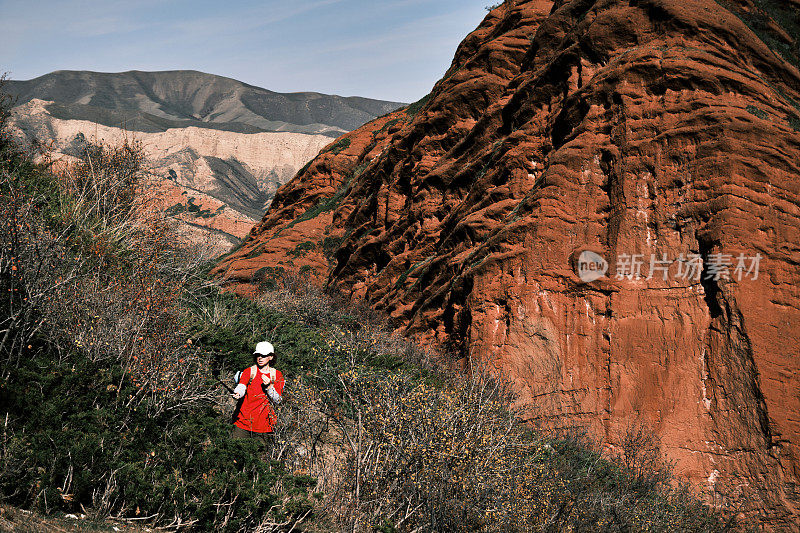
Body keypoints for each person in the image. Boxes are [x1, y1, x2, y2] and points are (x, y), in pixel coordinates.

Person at [231, 341, 284, 443]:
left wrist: (269, 387)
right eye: (258, 355)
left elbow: (278, 400)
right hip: (243, 423)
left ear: (271, 357)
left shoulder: (277, 375)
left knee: (259, 457)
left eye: (263, 355)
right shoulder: (249, 371)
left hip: (265, 427)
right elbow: (242, 385)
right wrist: (237, 393)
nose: (260, 358)